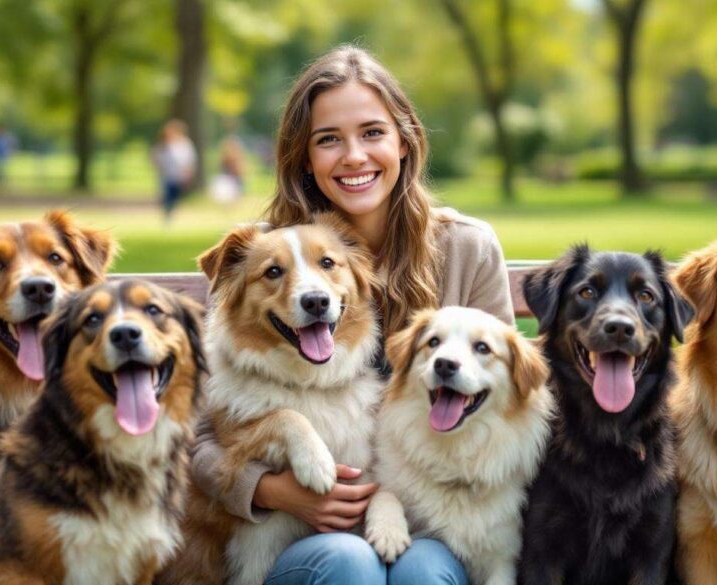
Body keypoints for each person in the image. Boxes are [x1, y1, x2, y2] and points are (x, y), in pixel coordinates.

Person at [191, 45, 514, 584]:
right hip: (298, 541)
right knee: (349, 561)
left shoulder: (466, 249)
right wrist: (274, 491)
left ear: (404, 140)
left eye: (372, 132)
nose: (354, 156)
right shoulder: (262, 262)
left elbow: (505, 403)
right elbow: (200, 438)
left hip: (429, 511)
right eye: (328, 140)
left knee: (425, 569)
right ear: (305, 158)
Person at [151, 119, 198, 223]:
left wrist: (188, 173)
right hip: (167, 176)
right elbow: (156, 158)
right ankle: (167, 215)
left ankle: (170, 213)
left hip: (178, 176)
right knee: (167, 196)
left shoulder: (184, 144)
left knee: (174, 196)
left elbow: (189, 160)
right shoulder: (163, 145)